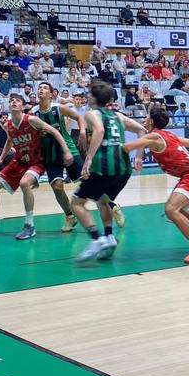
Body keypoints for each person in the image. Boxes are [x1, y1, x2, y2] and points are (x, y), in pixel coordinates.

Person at [122, 108, 189, 263]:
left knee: (171, 209)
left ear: (151, 121)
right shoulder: (167, 134)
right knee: (181, 208)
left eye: (147, 116)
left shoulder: (154, 137)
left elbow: (128, 147)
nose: (145, 118)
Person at [0, 94, 74, 240]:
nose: (14, 102)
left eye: (17, 100)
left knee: (24, 183)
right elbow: (10, 140)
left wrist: (66, 150)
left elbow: (54, 131)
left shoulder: (32, 120)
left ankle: (29, 225)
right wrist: (1, 158)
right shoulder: (7, 125)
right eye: (11, 101)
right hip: (19, 161)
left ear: (23, 106)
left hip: (36, 161)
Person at [71, 81, 146, 262]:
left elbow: (99, 130)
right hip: (123, 169)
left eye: (89, 94)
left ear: (95, 98)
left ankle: (97, 240)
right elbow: (142, 130)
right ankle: (109, 236)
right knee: (102, 200)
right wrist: (138, 157)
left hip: (104, 167)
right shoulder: (118, 116)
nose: (87, 97)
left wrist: (88, 159)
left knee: (76, 203)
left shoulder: (92, 113)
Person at [31, 82, 89, 233]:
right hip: (50, 153)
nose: (41, 89)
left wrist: (82, 131)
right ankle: (70, 216)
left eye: (45, 88)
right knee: (56, 186)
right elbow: (32, 134)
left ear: (51, 94)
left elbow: (79, 117)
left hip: (68, 149)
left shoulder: (58, 108)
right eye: (39, 88)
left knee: (88, 181)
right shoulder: (33, 112)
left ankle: (112, 205)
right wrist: (38, 134)